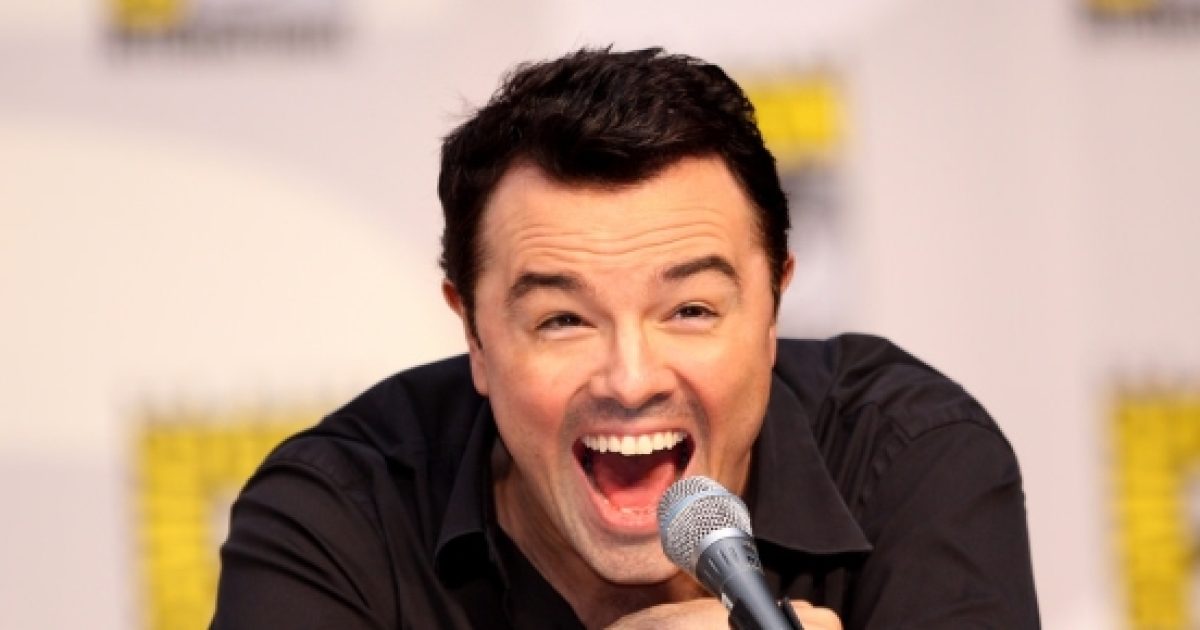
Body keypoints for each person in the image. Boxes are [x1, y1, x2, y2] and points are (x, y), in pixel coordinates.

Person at [211, 47, 1040, 629]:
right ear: (476, 337)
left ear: (773, 310)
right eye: (563, 320)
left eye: (691, 310)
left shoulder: (908, 456)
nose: (632, 377)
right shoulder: (337, 516)